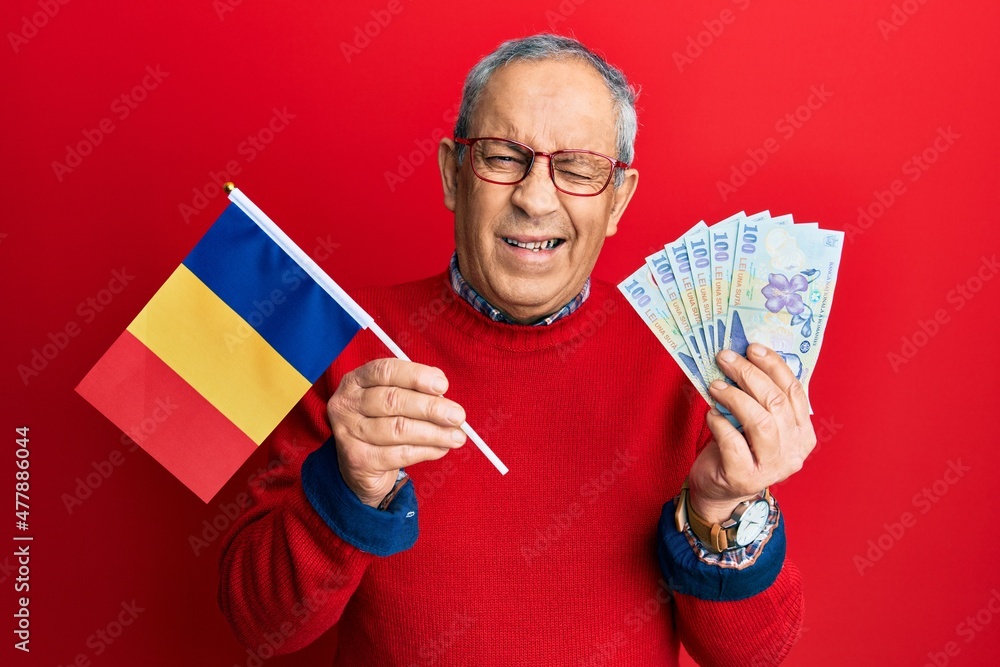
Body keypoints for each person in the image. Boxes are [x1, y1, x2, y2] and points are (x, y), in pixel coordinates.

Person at [218, 33, 811, 666]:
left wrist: (723, 508)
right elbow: (262, 628)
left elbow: (755, 656)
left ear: (619, 199)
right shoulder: (346, 341)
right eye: (503, 158)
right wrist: (350, 485)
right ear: (453, 173)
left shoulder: (694, 361)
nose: (534, 197)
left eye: (579, 169)